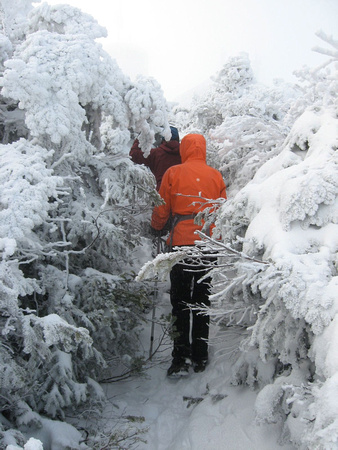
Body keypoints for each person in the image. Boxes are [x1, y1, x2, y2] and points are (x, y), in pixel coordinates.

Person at [151, 133, 227, 377]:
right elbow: (223, 211)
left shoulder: (173, 173)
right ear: (203, 149)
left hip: (181, 244)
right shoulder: (215, 175)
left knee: (180, 301)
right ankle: (200, 355)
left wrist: (155, 226)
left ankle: (180, 357)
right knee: (202, 300)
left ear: (184, 149)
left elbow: (162, 206)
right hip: (207, 245)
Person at [129, 126, 181, 191]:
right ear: (177, 138)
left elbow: (134, 154)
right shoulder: (185, 154)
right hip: (182, 193)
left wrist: (140, 138)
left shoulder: (156, 154)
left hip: (162, 192)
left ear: (163, 139)